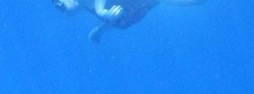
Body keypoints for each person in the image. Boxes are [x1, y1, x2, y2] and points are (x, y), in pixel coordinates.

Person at [53, 0, 205, 43]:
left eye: (59, 4)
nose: (61, 9)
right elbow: (114, 20)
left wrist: (101, 11)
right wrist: (100, 30)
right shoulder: (87, 7)